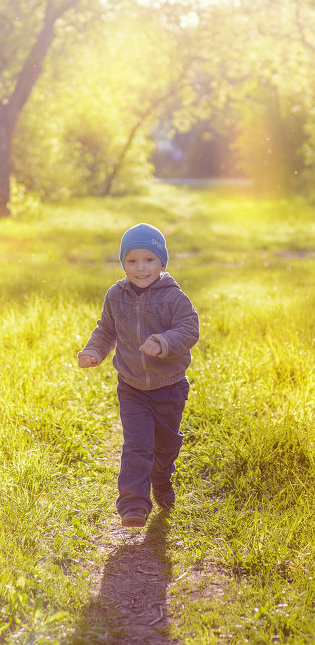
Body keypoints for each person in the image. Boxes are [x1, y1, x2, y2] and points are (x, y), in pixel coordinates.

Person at [77, 223, 199, 528]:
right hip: (131, 386)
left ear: (161, 262)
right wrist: (95, 351)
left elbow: (189, 329)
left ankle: (161, 478)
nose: (140, 268)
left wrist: (164, 341)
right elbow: (105, 330)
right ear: (123, 263)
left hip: (170, 386)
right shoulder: (115, 296)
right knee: (137, 443)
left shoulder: (174, 297)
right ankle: (133, 504)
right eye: (131, 261)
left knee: (166, 445)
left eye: (149, 260)